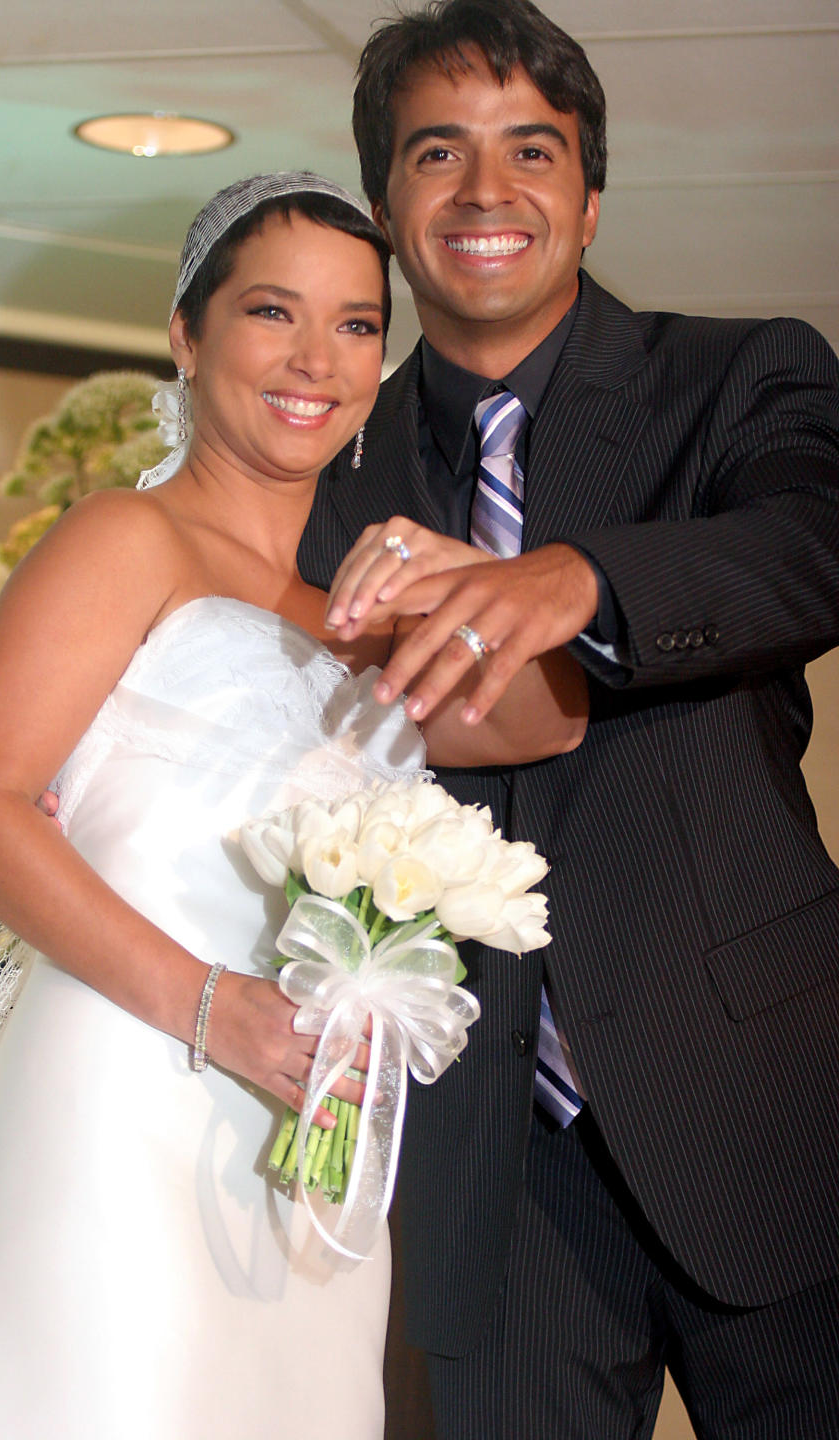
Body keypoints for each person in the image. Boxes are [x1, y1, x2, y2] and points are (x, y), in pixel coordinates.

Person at [0, 171, 585, 1440]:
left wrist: (471, 577)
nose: (318, 357)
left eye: (360, 324)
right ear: (187, 336)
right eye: (273, 312)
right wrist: (216, 1011)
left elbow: (550, 718)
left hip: (306, 1140)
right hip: (125, 1085)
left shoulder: (360, 626)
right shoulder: (125, 540)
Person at [295, 2, 839, 1437]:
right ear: (383, 207)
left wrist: (579, 577)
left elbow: (816, 540)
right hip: (489, 1170)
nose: (486, 192)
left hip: (769, 1112)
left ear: (589, 200)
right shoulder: (327, 486)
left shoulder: (737, 375)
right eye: (438, 154)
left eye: (529, 151)